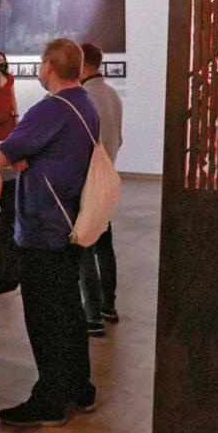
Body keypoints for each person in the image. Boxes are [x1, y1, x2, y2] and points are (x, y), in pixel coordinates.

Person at [0, 39, 99, 427]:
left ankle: (50, 399)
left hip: (43, 226)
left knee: (44, 316)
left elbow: (3, 154)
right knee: (69, 310)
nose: (39, 70)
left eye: (41, 63)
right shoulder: (86, 103)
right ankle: (78, 387)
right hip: (70, 222)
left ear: (50, 66)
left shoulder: (51, 108)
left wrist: (22, 158)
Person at [78, 43, 124, 335]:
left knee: (85, 246)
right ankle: (109, 305)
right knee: (104, 245)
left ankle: (92, 315)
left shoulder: (84, 97)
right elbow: (118, 138)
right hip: (108, 179)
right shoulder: (112, 95)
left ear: (82, 64)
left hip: (88, 182)